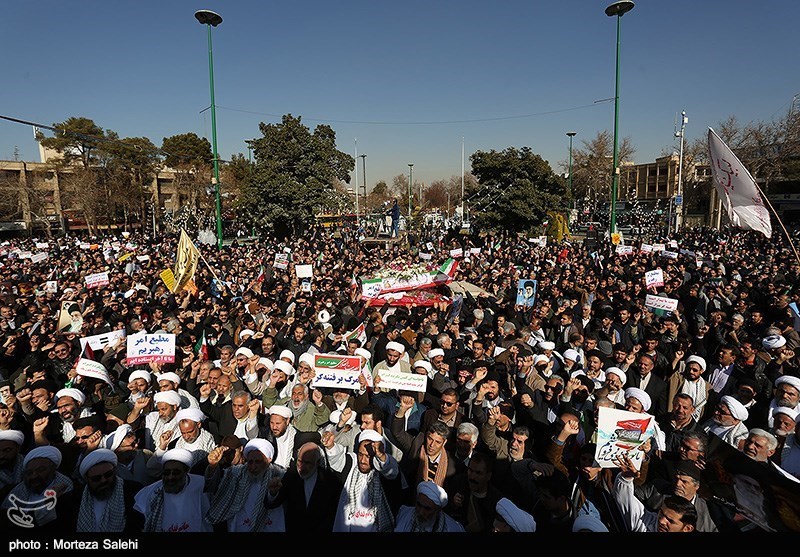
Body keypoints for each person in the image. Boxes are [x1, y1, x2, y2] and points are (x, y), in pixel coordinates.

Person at [204, 439, 285, 532]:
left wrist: (272, 493)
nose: (253, 467)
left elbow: (277, 501)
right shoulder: (235, 474)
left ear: (268, 459)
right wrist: (213, 466)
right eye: (250, 462)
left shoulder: (280, 475)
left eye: (258, 462)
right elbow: (210, 486)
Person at [331, 429, 403, 532]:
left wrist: (382, 456)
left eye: (368, 456)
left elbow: (391, 470)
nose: (363, 461)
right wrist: (330, 446)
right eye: (360, 454)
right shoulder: (352, 464)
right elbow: (337, 459)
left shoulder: (383, 473)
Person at [269, 440, 343, 533]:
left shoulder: (330, 481)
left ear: (317, 462)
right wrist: (272, 493)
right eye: (300, 461)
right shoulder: (291, 476)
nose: (301, 467)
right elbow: (274, 503)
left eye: (307, 463)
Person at [133, 448, 212, 532]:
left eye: (176, 473)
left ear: (186, 472)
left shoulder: (201, 484)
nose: (170, 477)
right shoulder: (153, 491)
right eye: (166, 473)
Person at [71, 449, 143, 533]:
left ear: (115, 471)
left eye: (108, 474)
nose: (103, 480)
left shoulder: (134, 491)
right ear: (87, 479)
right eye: (96, 478)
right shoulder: (75, 498)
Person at [394, 480, 465, 532]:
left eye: (427, 509)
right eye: (419, 505)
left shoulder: (453, 528)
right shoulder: (403, 513)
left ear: (437, 510)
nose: (421, 512)